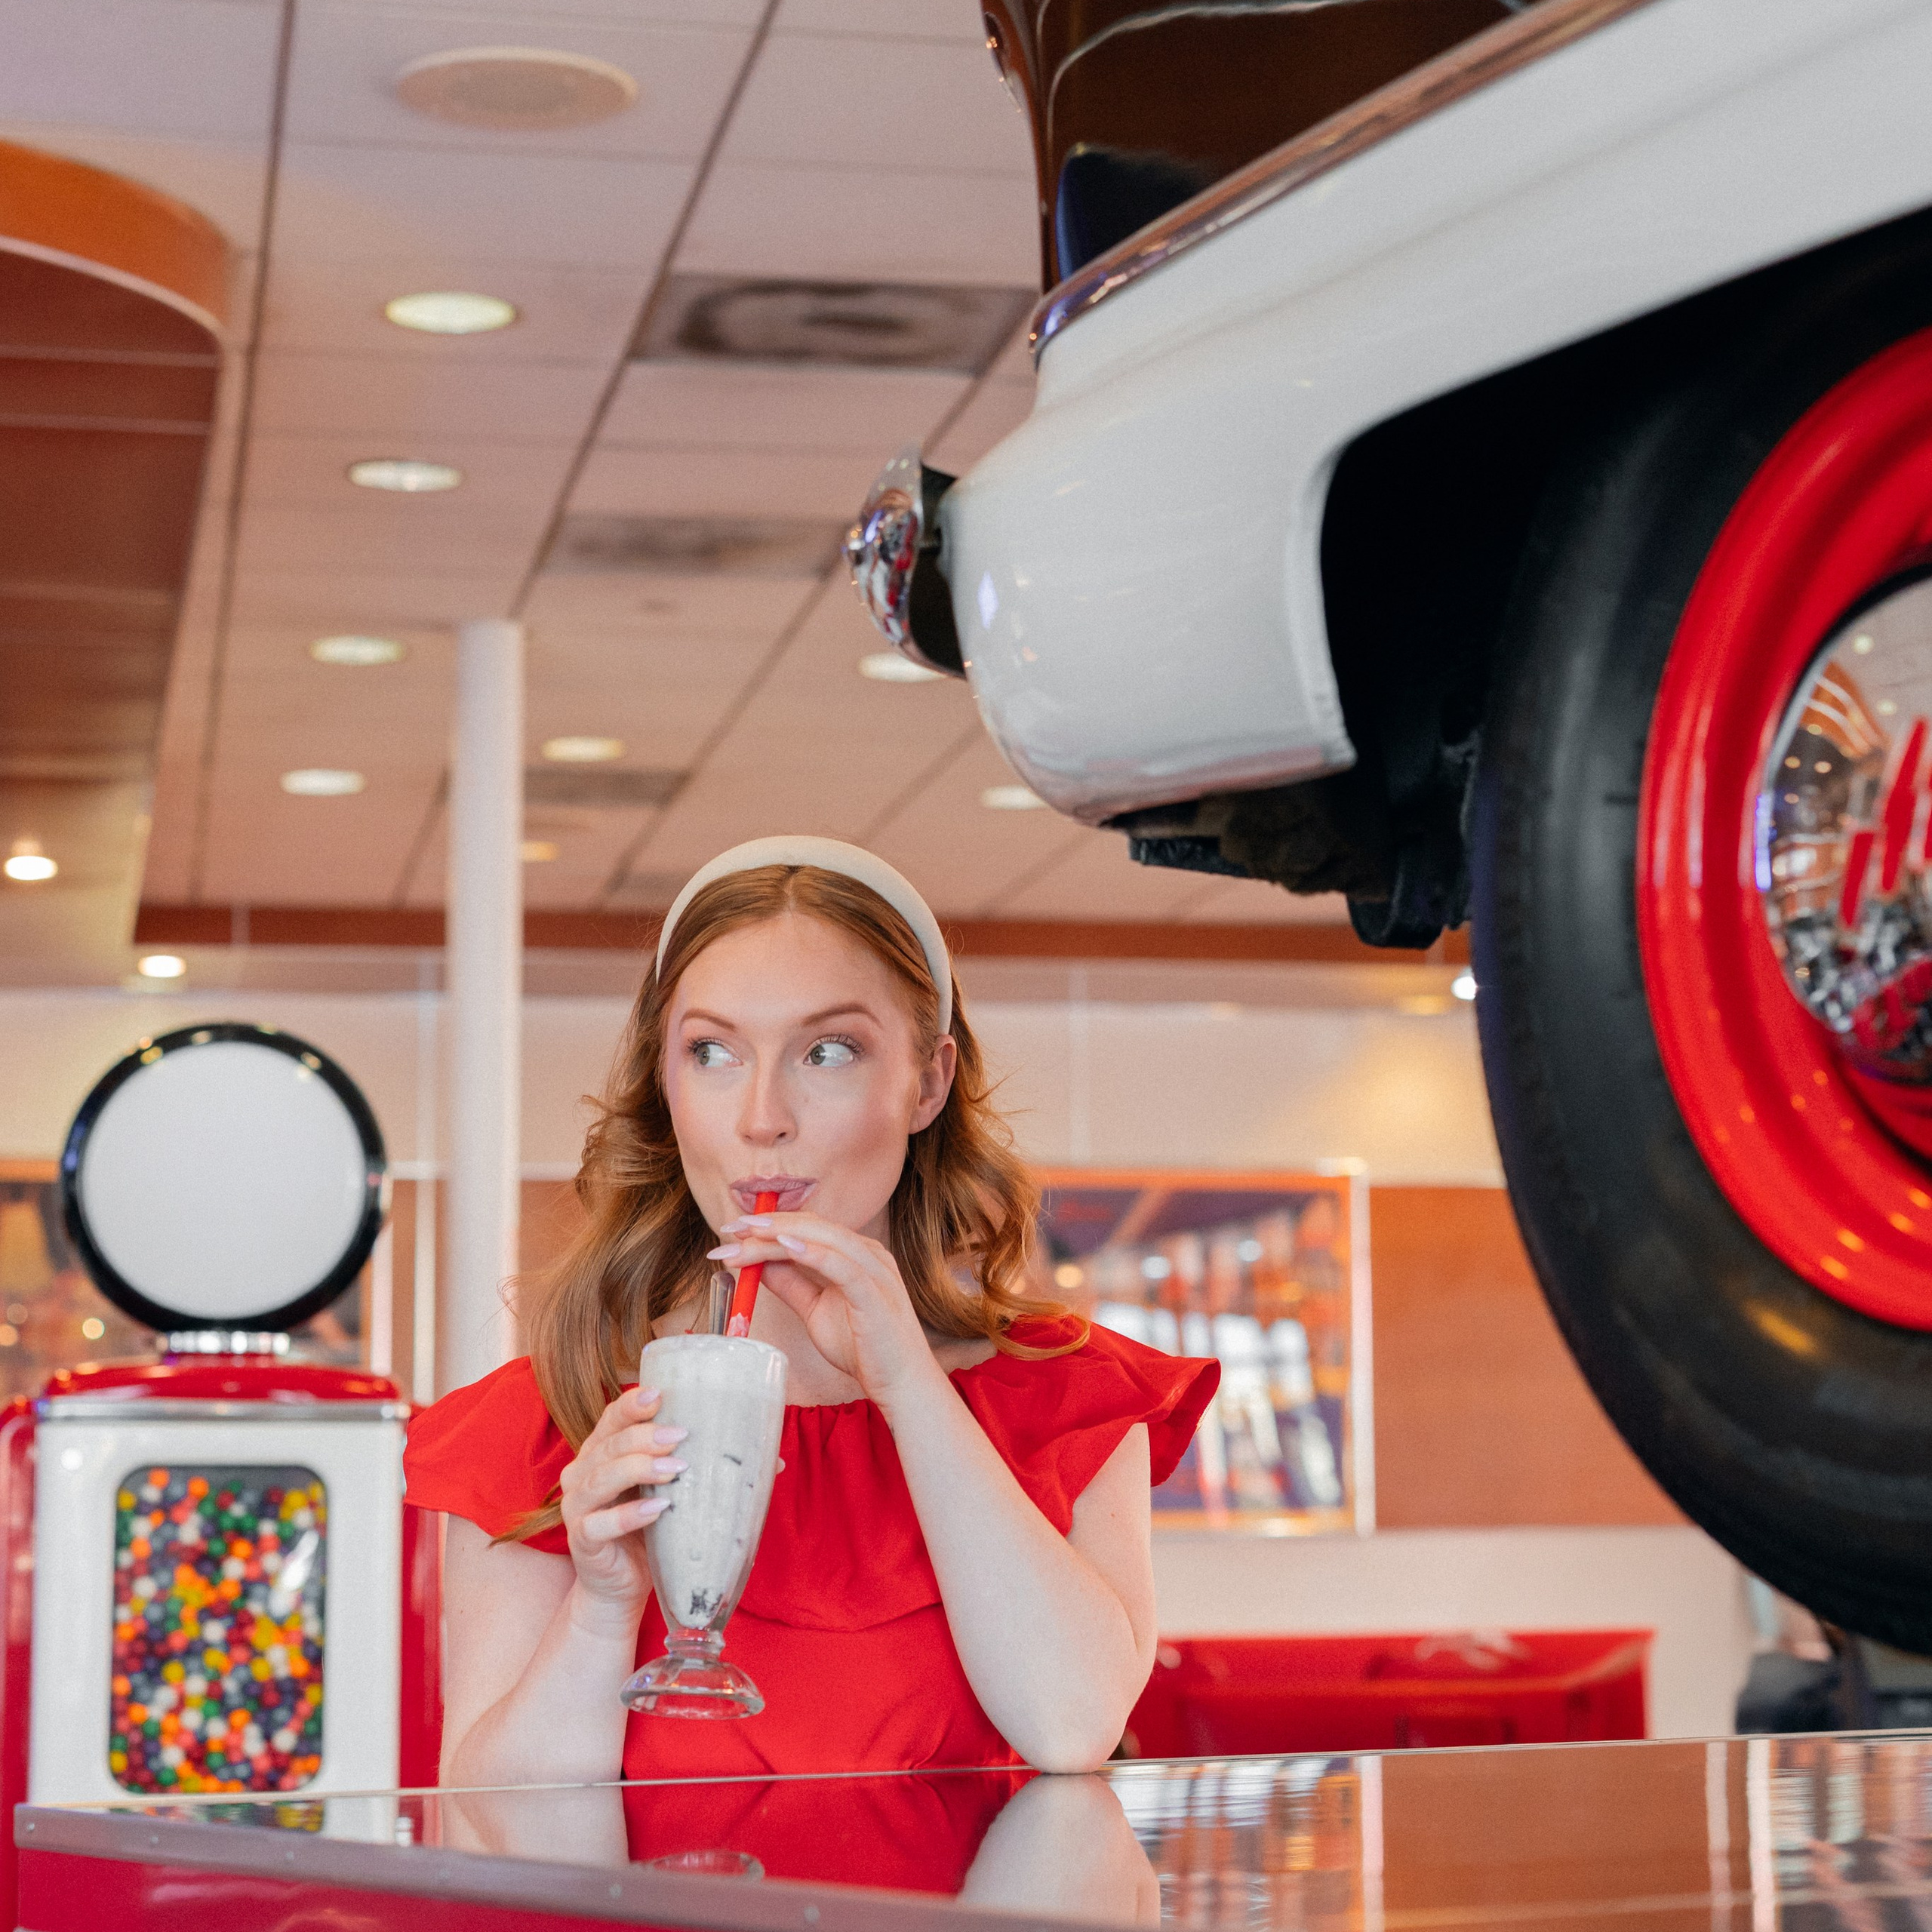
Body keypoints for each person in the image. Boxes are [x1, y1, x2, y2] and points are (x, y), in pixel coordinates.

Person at [405, 837, 1218, 1786]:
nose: (761, 1116)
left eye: (826, 1051)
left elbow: (1070, 1724)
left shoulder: (1062, 1398)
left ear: (927, 1081)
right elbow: (493, 1825)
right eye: (711, 1052)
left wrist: (906, 1380)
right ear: (666, 1089)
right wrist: (600, 1605)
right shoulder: (542, 1428)